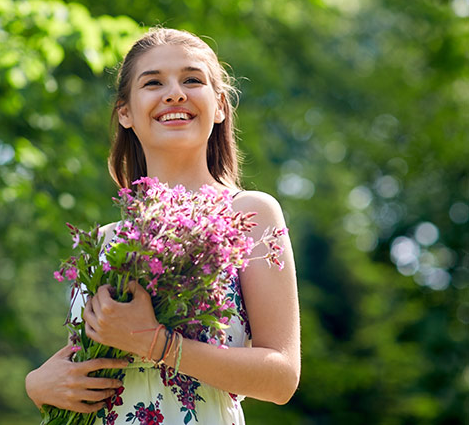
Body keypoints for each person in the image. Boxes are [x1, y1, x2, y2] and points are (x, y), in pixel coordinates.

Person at [25, 28, 300, 424]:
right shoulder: (104, 241)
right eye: (153, 82)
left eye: (192, 80)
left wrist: (157, 343)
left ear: (220, 105)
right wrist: (37, 384)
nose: (174, 93)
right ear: (125, 112)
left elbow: (282, 378)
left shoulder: (250, 215)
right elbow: (83, 365)